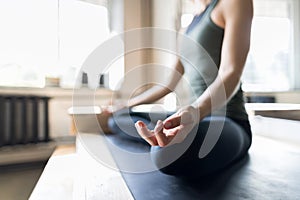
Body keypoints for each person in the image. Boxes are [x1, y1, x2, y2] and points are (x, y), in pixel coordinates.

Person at [107, 0, 253, 178]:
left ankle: (166, 141)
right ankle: (163, 135)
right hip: (190, 117)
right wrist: (127, 103)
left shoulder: (233, 2)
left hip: (226, 119)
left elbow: (230, 72)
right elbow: (167, 84)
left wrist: (196, 112)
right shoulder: (187, 28)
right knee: (118, 119)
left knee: (166, 154)